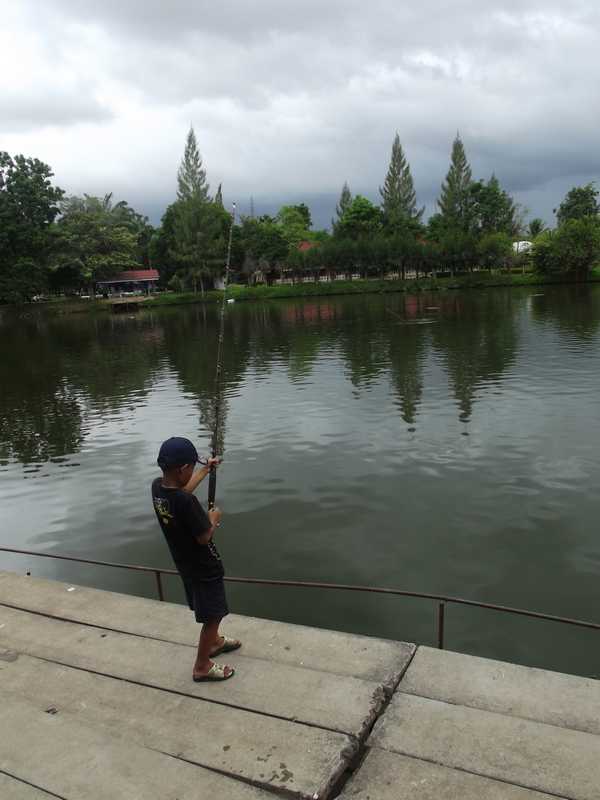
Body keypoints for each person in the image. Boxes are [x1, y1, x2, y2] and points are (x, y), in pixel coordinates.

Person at [151, 436, 241, 681]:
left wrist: (204, 470)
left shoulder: (158, 488)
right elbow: (203, 537)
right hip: (204, 568)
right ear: (182, 469)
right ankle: (202, 665)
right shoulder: (187, 503)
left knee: (210, 609)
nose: (193, 471)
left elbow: (182, 492)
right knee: (214, 614)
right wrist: (213, 519)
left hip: (186, 565)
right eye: (192, 467)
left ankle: (214, 643)